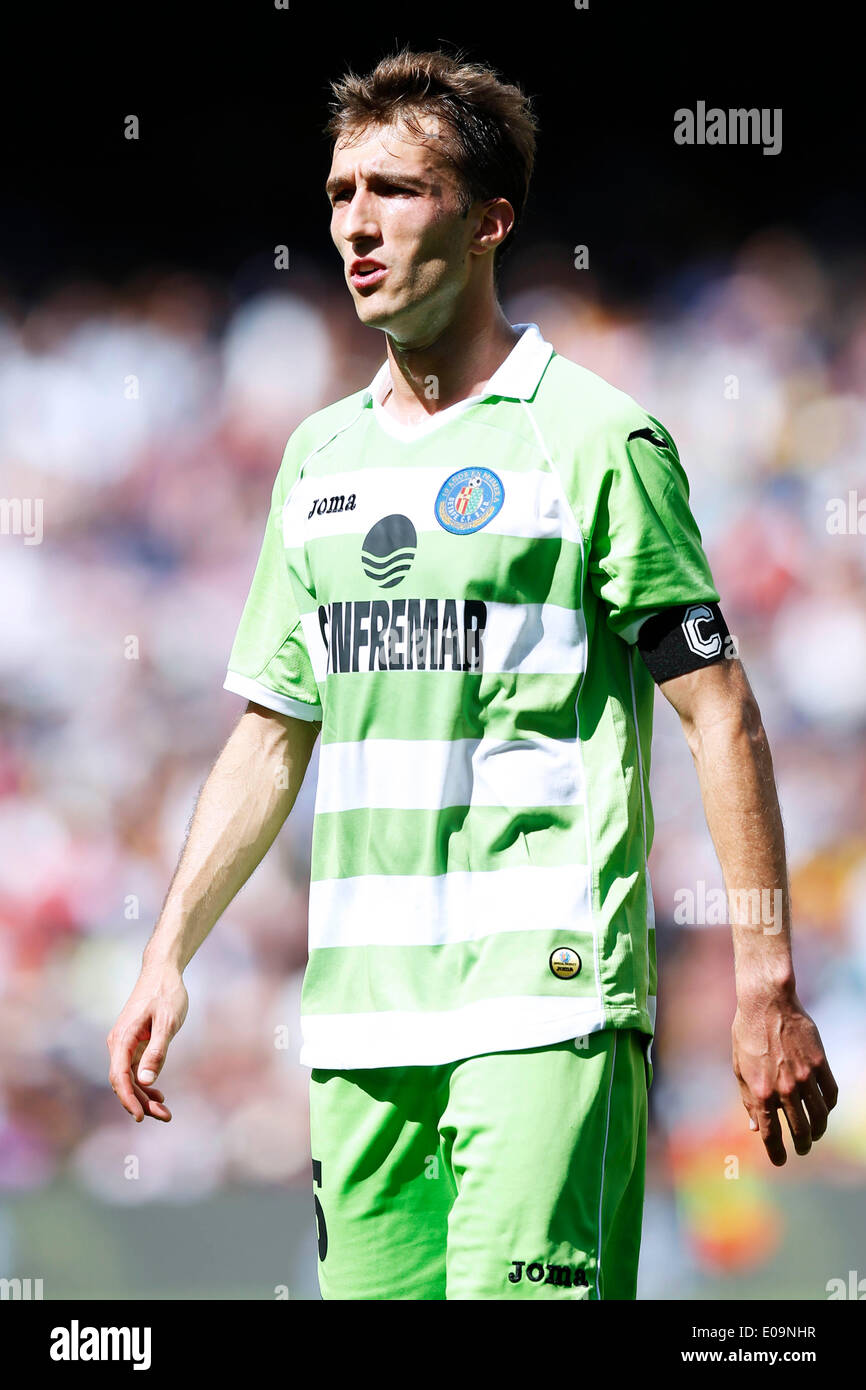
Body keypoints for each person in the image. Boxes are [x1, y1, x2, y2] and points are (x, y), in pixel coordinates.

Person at [107, 46, 837, 1301]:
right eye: (339, 194)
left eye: (394, 190)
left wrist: (765, 979)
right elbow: (272, 730)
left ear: (489, 220)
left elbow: (720, 712)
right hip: (359, 1028)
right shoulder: (316, 460)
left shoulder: (597, 440)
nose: (354, 224)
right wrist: (168, 948)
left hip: (544, 1009)